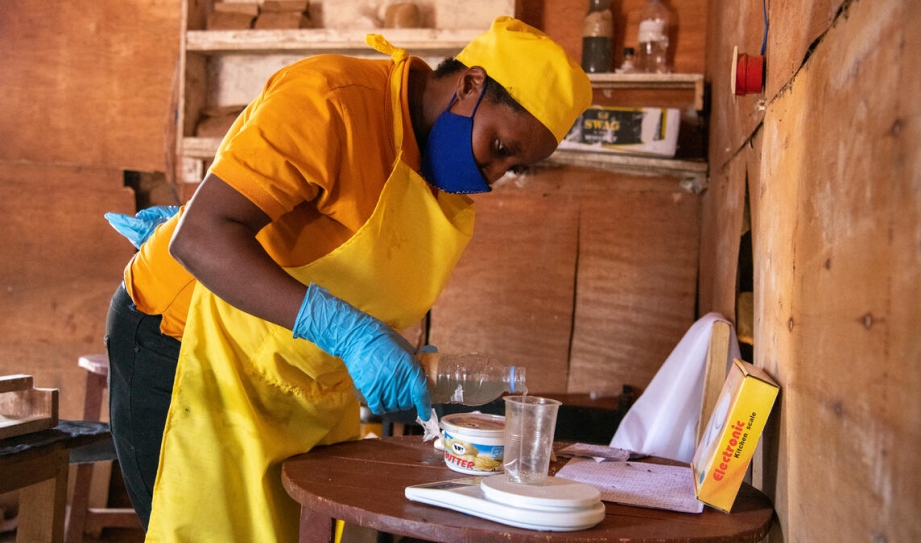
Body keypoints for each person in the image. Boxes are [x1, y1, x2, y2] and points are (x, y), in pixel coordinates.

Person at [104, 15, 592, 542]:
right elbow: (201, 237)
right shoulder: (331, 102)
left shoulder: (435, 181)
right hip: (185, 352)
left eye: (512, 167)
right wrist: (347, 333)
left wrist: (392, 353)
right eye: (500, 148)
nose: (494, 178)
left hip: (298, 383)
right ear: (470, 85)